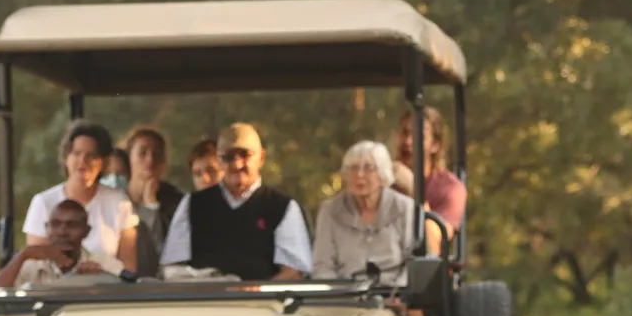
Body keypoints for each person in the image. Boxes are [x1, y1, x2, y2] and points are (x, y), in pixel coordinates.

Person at [160, 122, 312, 281]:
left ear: (261, 158)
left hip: (262, 304)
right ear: (219, 160)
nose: (237, 164)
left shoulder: (282, 207)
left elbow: (294, 271)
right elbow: (172, 267)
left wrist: (259, 292)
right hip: (203, 302)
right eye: (228, 157)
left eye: (245, 155)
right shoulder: (192, 204)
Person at [22, 119, 139, 271]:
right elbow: (35, 264)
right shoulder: (43, 202)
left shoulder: (119, 201)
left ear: (103, 162)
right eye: (76, 153)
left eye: (91, 155)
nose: (83, 161)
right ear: (66, 157)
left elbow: (128, 267)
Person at [312, 141, 416, 285]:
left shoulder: (405, 208)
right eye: (353, 168)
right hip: (345, 297)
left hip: (395, 295)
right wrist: (336, 296)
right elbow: (322, 267)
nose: (359, 174)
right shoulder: (330, 211)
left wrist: (400, 295)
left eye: (369, 168)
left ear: (382, 175)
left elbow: (414, 263)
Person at [390, 106, 467, 255]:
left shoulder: (450, 188)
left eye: (419, 136)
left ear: (435, 145)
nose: (408, 141)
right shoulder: (379, 183)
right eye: (404, 133)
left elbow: (434, 242)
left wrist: (413, 189)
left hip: (424, 273)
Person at [0, 200, 116, 288]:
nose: (62, 232)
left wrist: (99, 279)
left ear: (86, 231)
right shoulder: (29, 266)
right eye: (55, 224)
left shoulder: (105, 264)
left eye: (72, 225)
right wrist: (23, 255)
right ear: (47, 229)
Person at [122, 125, 185, 278]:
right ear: (129, 157)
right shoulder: (116, 198)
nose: (150, 160)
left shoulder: (177, 202)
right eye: (142, 153)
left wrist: (151, 205)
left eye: (157, 154)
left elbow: (166, 252)